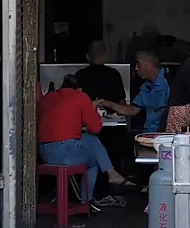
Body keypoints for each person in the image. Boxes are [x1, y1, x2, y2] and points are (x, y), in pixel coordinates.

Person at [37, 75, 130, 204]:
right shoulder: (80, 96)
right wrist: (92, 107)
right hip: (64, 152)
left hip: (44, 152)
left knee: (89, 139)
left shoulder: (47, 98)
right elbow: (96, 128)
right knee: (93, 159)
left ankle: (111, 173)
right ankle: (87, 201)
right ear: (79, 89)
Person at [96, 51, 170, 134]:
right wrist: (106, 103)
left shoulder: (170, 82)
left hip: (165, 135)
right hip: (148, 134)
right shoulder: (145, 86)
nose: (136, 68)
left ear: (150, 64)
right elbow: (132, 110)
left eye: (138, 64)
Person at [73, 41, 126, 105]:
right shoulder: (115, 74)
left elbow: (74, 101)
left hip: (87, 114)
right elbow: (122, 101)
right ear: (105, 56)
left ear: (87, 57)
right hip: (111, 114)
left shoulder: (80, 75)